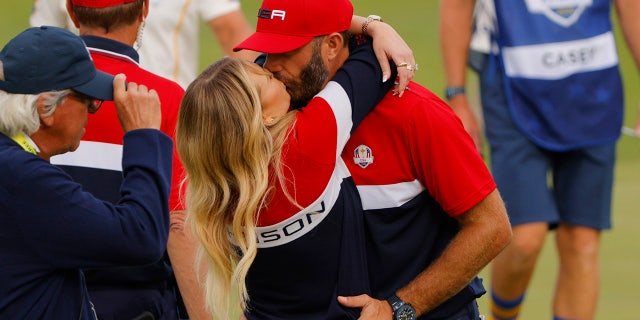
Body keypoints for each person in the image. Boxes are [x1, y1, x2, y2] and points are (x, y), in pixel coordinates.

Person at [232, 0, 513, 319]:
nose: (270, 66)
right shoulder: (269, 114)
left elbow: (492, 227)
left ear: (332, 45)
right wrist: (371, 26)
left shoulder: (415, 114)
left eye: (285, 52)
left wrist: (402, 306)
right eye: (266, 52)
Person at [175, 3, 417, 318]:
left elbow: (227, 102)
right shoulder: (307, 143)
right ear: (265, 116)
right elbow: (371, 60)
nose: (273, 70)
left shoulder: (215, 181)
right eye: (266, 80)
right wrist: (373, 25)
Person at [440, 1, 640, 319]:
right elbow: (457, 6)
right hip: (511, 89)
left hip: (594, 93)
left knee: (583, 241)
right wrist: (458, 94)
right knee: (524, 239)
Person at [0, 26, 170, 319]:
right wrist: (143, 136)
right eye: (86, 96)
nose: (94, 106)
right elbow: (141, 236)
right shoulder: (23, 180)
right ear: (46, 109)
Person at [55, 0, 187, 319]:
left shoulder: (35, 91)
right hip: (139, 303)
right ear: (144, 10)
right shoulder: (167, 98)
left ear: (71, 11)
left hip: (48, 292)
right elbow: (179, 225)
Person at [29, 0, 257, 88]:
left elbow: (231, 32)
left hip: (170, 114)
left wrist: (257, 101)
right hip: (84, 113)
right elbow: (43, 47)